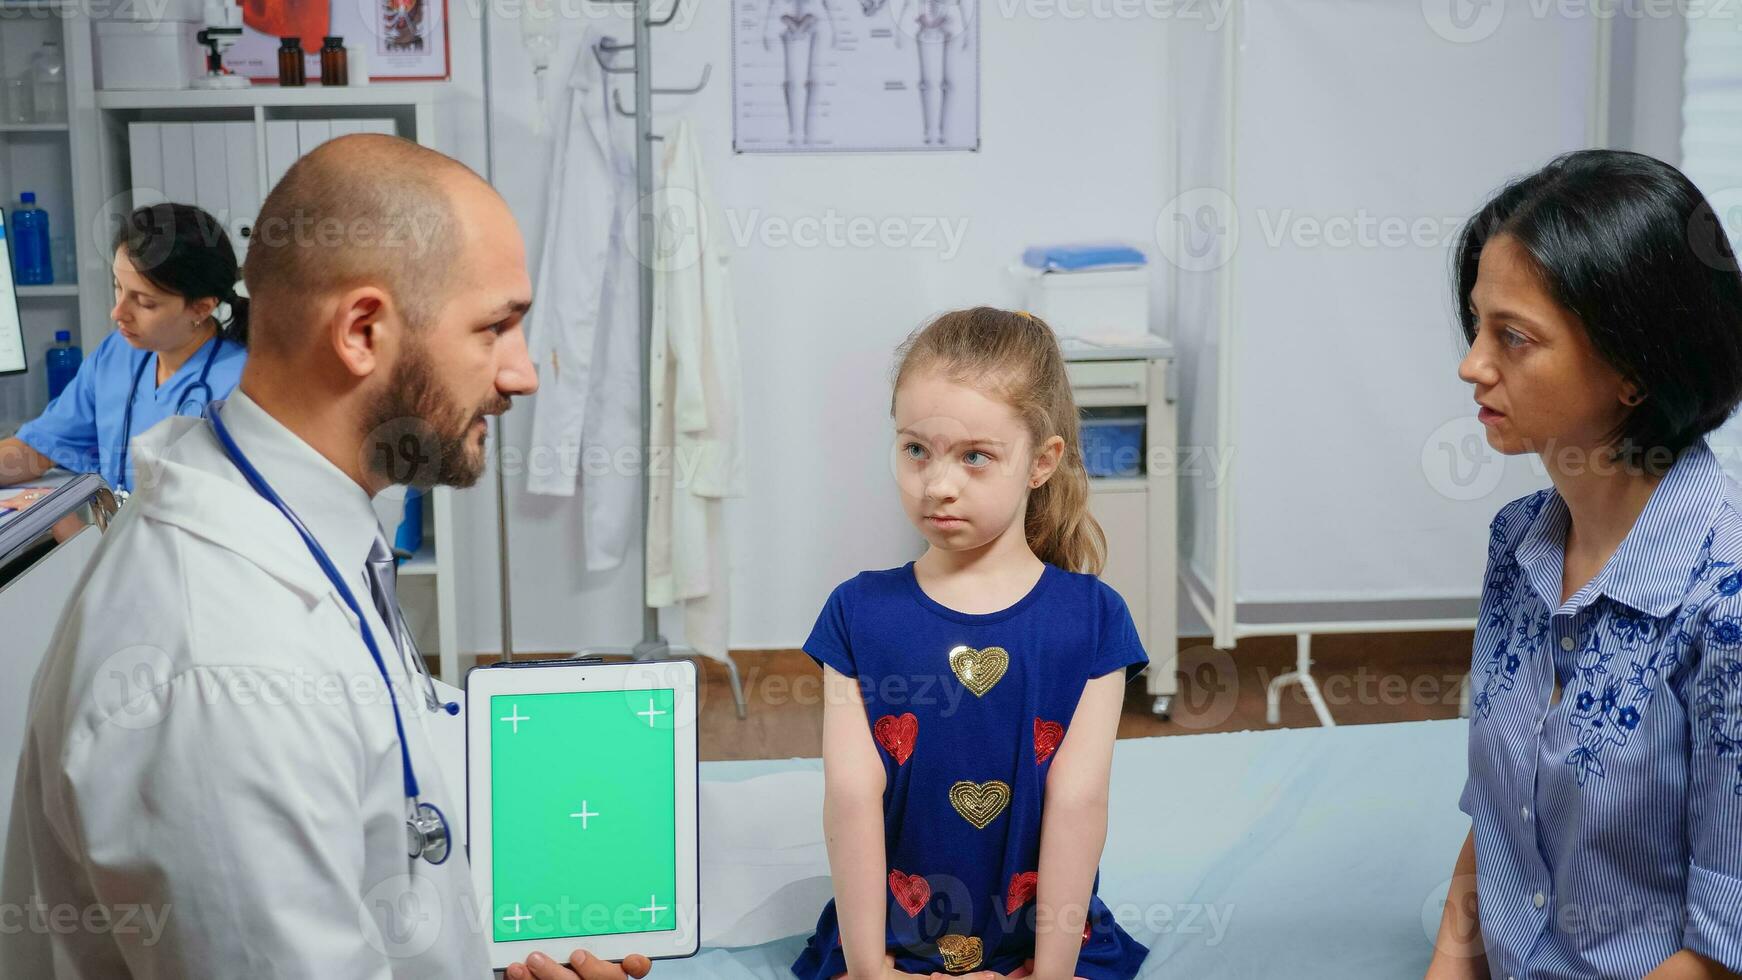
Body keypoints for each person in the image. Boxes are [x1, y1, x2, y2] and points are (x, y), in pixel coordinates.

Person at [0, 134, 648, 980]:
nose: (523, 375)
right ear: (362, 331)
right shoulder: (223, 678)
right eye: (496, 328)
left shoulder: (290, 514)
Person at [1425, 150, 1742, 979]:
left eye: (1515, 338)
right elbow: (1501, 821)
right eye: (1477, 324)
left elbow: (1726, 950)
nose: (1471, 365)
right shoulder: (1518, 543)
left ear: (1633, 369)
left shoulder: (1728, 596)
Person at [792, 307, 1149, 980]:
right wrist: (872, 971)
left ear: (1042, 462)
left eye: (975, 457)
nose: (938, 484)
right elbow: (849, 793)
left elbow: (1078, 803)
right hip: (886, 940)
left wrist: (1049, 975)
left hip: (1046, 946)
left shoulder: (1096, 619)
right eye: (915, 449)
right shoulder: (856, 612)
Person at [0, 203, 248, 495]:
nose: (117, 313)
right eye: (118, 287)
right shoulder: (117, 354)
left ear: (202, 308)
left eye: (144, 302)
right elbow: (41, 446)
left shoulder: (242, 385)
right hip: (119, 535)